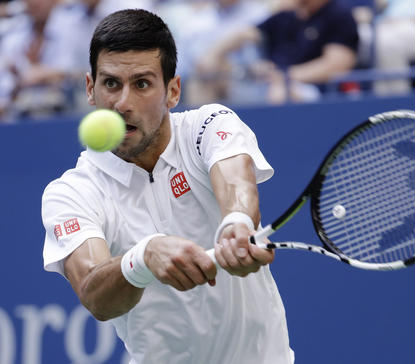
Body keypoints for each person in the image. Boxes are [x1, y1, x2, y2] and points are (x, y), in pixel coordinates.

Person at [41, 9, 292, 364]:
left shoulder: (208, 125)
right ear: (90, 89)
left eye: (142, 83)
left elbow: (236, 179)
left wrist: (236, 224)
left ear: (173, 91)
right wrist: (142, 257)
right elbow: (94, 294)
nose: (123, 103)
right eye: (111, 83)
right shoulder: (71, 192)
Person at [196, 0, 359, 104]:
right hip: (268, 81)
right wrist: (213, 54)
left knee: (280, 91)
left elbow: (335, 66)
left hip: (314, 89)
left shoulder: (339, 14)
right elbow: (246, 34)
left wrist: (285, 75)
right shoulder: (286, 15)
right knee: (207, 74)